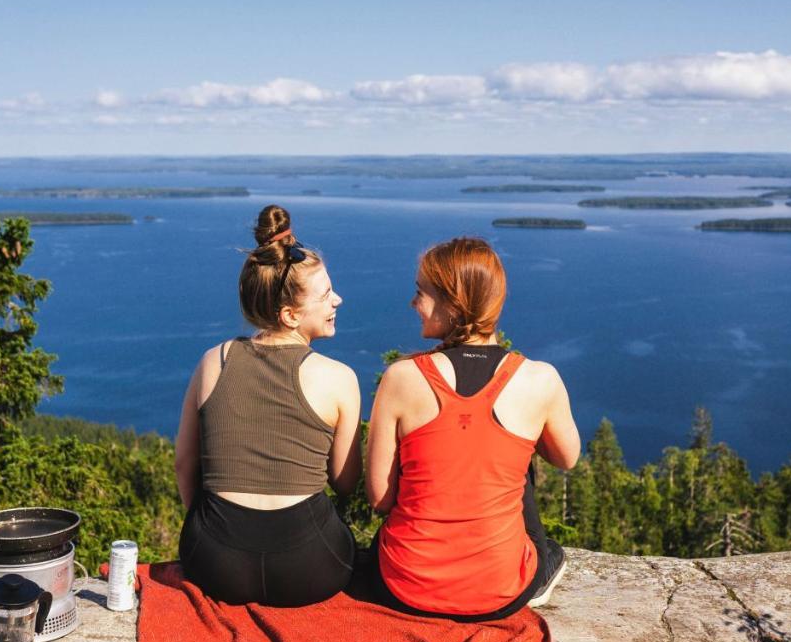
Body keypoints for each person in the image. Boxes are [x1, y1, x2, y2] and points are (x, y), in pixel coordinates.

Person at [366, 237, 580, 620]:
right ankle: (530, 572)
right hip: (501, 591)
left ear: (453, 303)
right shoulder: (539, 379)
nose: (414, 304)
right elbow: (566, 457)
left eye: (421, 294)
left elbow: (381, 499)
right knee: (516, 455)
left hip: (405, 586)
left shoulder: (401, 378)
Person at [173, 205, 361, 606]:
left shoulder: (214, 361)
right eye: (327, 294)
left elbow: (184, 463)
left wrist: (207, 527)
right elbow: (346, 483)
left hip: (213, 564)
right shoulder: (339, 378)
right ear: (291, 315)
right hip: (312, 567)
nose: (338, 300)